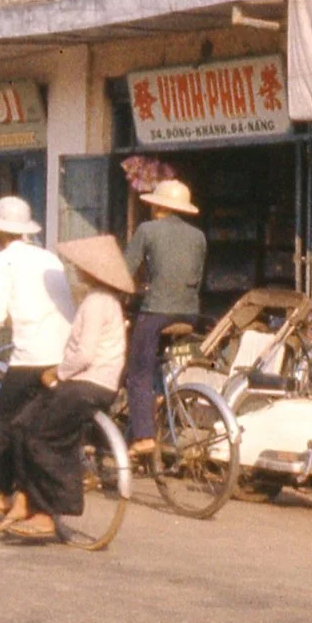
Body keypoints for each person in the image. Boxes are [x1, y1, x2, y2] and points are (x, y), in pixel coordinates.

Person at [0, 236, 134, 539]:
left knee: (41, 436)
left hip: (87, 384)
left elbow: (85, 354)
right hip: (86, 383)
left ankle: (47, 514)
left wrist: (57, 372)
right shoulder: (104, 301)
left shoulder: (96, 302)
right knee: (21, 424)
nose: (75, 269)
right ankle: (25, 498)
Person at [0, 196, 77, 520]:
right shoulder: (49, 258)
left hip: (32, 354)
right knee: (36, 424)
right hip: (62, 351)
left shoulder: (3, 261)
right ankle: (29, 494)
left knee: (4, 421)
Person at [122, 178, 207, 457]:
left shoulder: (147, 230)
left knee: (137, 372)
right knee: (154, 363)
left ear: (157, 206)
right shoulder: (198, 236)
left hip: (157, 310)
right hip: (189, 313)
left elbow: (125, 270)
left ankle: (144, 435)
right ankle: (157, 397)